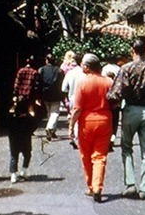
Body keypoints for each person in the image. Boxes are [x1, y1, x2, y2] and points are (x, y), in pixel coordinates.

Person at [106, 39, 145, 200]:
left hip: (130, 110)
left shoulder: (125, 69)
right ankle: (144, 188)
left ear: (132, 50)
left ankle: (130, 183)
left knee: (126, 147)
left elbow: (114, 94)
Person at [69, 53, 114, 203]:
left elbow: (77, 109)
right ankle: (97, 187)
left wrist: (71, 126)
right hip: (105, 120)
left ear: (87, 67)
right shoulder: (108, 81)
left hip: (87, 122)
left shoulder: (82, 83)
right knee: (100, 156)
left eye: (82, 64)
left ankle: (91, 186)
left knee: (86, 155)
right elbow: (115, 103)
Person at [7, 97, 37, 183]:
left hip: (13, 140)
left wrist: (13, 106)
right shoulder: (28, 118)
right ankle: (24, 170)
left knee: (14, 156)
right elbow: (34, 125)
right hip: (26, 140)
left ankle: (13, 175)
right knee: (27, 155)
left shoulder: (12, 118)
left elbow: (6, 124)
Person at [38, 53, 63, 141]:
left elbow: (39, 82)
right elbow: (61, 82)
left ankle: (52, 130)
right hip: (56, 94)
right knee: (55, 113)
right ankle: (50, 128)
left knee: (49, 113)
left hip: (45, 94)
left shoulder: (41, 70)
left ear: (47, 60)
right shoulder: (59, 70)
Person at [61, 52, 85, 146]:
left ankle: (74, 136)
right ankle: (78, 137)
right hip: (84, 98)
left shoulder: (70, 73)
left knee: (74, 117)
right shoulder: (85, 73)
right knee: (81, 119)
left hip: (72, 98)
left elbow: (63, 88)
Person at [12, 56, 41, 121]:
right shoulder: (34, 72)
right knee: (31, 110)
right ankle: (31, 124)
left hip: (20, 95)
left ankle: (19, 123)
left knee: (19, 109)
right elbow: (36, 86)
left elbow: (16, 84)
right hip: (30, 95)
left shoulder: (21, 71)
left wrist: (14, 94)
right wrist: (37, 97)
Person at [101, 56, 121, 151]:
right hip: (116, 98)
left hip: (106, 98)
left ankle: (106, 138)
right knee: (115, 121)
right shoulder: (119, 69)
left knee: (107, 121)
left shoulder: (104, 68)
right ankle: (112, 137)